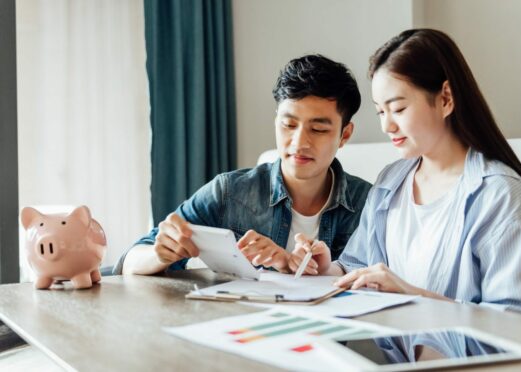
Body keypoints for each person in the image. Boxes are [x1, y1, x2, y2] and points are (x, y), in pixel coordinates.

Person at [291, 29, 521, 319]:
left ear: (446, 98)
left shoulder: (502, 195)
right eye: (381, 112)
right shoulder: (390, 183)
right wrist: (327, 267)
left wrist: (413, 296)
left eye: (398, 109)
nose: (387, 126)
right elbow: (359, 266)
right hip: (398, 364)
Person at [113, 54, 372, 276]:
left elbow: (378, 285)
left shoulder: (370, 204)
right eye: (288, 125)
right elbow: (130, 260)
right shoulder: (229, 192)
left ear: (345, 135)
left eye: (317, 129)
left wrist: (296, 266)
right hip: (237, 330)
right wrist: (162, 254)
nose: (299, 142)